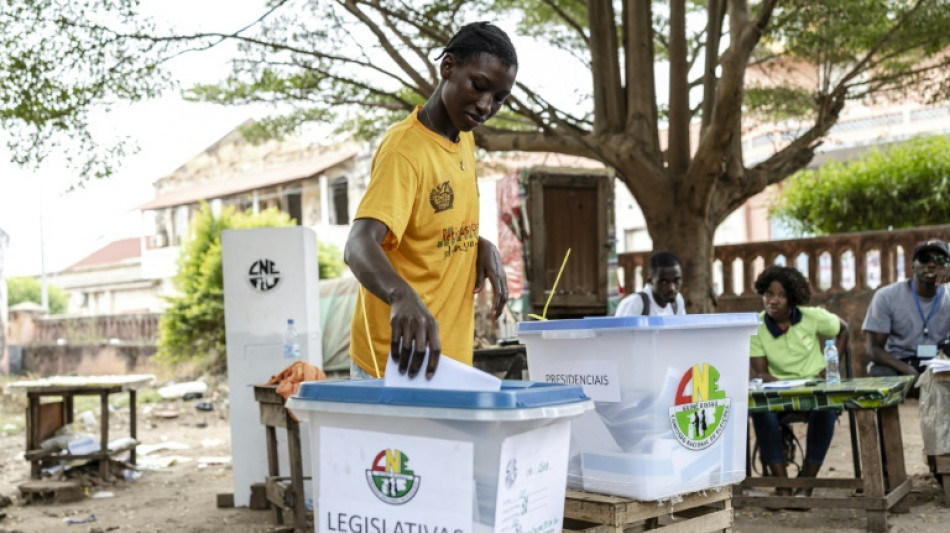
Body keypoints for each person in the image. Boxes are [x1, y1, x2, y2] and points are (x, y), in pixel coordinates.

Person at [344, 22, 516, 380]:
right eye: (479, 86)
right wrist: (400, 296)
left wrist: (478, 245)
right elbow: (359, 243)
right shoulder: (405, 150)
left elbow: (429, 227)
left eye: (499, 98)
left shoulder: (463, 138)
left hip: (446, 367)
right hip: (393, 365)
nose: (486, 105)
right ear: (448, 67)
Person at [749, 266, 849, 495]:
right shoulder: (757, 326)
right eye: (768, 294)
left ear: (792, 299)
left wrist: (830, 366)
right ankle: (783, 485)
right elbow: (761, 374)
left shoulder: (812, 317)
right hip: (777, 394)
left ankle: (807, 482)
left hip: (813, 392)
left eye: (781, 295)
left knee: (827, 408)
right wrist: (787, 386)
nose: (773, 300)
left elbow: (844, 329)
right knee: (760, 411)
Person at [863, 239, 950, 380]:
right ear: (913, 266)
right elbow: (873, 349)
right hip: (900, 362)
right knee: (881, 372)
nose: (932, 264)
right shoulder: (886, 296)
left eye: (939, 260)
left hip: (939, 360)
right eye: (924, 259)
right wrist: (907, 369)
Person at [615, 251, 686, 316]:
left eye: (676, 281)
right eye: (664, 282)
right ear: (650, 281)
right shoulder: (634, 304)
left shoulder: (677, 301)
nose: (672, 288)